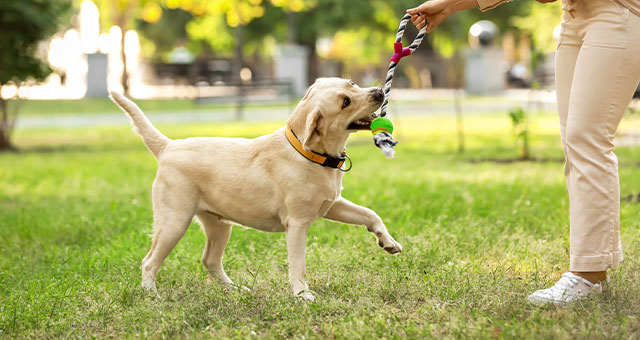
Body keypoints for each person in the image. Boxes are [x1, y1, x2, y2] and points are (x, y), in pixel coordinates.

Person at [407, 0, 640, 305]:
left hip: (617, 13)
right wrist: (451, 6)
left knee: (587, 138)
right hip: (573, 16)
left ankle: (588, 274)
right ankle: (592, 269)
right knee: (575, 143)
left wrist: (451, 4)